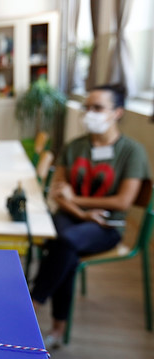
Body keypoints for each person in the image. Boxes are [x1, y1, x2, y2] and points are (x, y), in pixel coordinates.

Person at [30, 84, 151, 348]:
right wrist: (81, 212)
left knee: (63, 244)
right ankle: (56, 327)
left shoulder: (132, 151)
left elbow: (123, 201)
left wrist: (77, 200)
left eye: (98, 108)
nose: (89, 113)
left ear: (117, 112)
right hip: (73, 217)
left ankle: (33, 303)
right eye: (87, 107)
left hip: (108, 224)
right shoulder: (74, 147)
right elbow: (58, 193)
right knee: (65, 248)